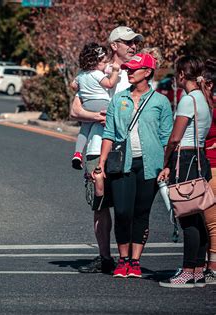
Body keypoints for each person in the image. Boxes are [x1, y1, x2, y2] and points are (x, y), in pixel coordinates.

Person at [70, 26, 143, 274]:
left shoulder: (137, 74)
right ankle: (105, 258)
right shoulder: (94, 72)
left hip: (129, 148)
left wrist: (111, 115)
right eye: (128, 42)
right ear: (114, 45)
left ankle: (129, 260)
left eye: (135, 43)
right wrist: (99, 116)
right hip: (95, 147)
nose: (133, 47)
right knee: (100, 206)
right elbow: (74, 110)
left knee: (127, 206)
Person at [96, 53, 173, 278]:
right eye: (128, 69)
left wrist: (167, 165)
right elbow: (109, 133)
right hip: (122, 164)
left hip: (151, 165)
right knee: (121, 211)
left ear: (147, 72)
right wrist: (101, 162)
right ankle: (122, 259)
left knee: (141, 213)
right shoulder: (119, 99)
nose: (129, 72)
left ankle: (135, 261)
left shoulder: (160, 102)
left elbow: (166, 137)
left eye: (134, 69)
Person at [157, 56, 213, 288]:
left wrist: (166, 159)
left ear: (181, 75)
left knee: (187, 217)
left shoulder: (188, 100)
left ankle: (188, 270)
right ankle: (199, 268)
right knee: (197, 217)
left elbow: (176, 137)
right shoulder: (205, 98)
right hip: (200, 157)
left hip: (186, 158)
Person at [70, 43, 120, 170]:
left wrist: (83, 88)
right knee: (107, 126)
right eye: (103, 62)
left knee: (84, 130)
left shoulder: (81, 74)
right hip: (102, 103)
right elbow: (109, 84)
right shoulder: (97, 74)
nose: (105, 65)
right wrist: (115, 71)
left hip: (86, 105)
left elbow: (73, 85)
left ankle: (77, 153)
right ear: (96, 62)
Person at [203, 58, 216, 285]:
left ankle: (213, 267)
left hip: (213, 166)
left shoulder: (212, 105)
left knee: (211, 220)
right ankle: (206, 264)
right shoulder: (203, 104)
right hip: (202, 164)